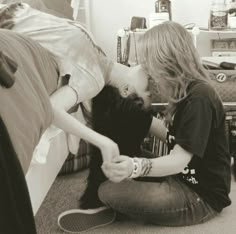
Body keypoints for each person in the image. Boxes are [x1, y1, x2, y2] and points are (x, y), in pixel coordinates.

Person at [96, 21, 232, 226]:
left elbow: (178, 160)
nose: (147, 72)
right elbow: (170, 134)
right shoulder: (184, 92)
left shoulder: (199, 99)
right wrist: (133, 112)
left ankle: (134, 206)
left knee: (107, 191)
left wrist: (135, 167)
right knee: (126, 163)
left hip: (200, 196)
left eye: (149, 65)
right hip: (182, 176)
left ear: (165, 62)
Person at [0, 2, 153, 163]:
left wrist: (102, 142)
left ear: (126, 90)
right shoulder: (99, 57)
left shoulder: (94, 80)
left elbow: (51, 108)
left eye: (148, 89)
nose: (152, 80)